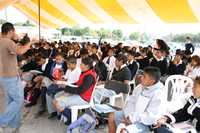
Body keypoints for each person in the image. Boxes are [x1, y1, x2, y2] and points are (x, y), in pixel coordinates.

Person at [108, 67, 164, 133]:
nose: (141, 78)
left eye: (144, 77)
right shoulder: (139, 87)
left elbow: (150, 116)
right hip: (131, 115)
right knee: (112, 116)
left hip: (145, 123)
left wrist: (132, 119)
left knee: (124, 131)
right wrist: (128, 115)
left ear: (152, 81)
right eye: (142, 75)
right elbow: (130, 102)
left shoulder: (158, 94)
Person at [0, 22, 31, 132]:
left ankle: (14, 123)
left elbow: (14, 50)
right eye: (14, 31)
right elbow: (20, 51)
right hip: (10, 76)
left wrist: (18, 40)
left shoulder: (2, 40)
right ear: (10, 31)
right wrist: (30, 42)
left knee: (11, 100)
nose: (15, 33)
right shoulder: (8, 41)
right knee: (18, 100)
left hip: (3, 76)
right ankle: (2, 121)